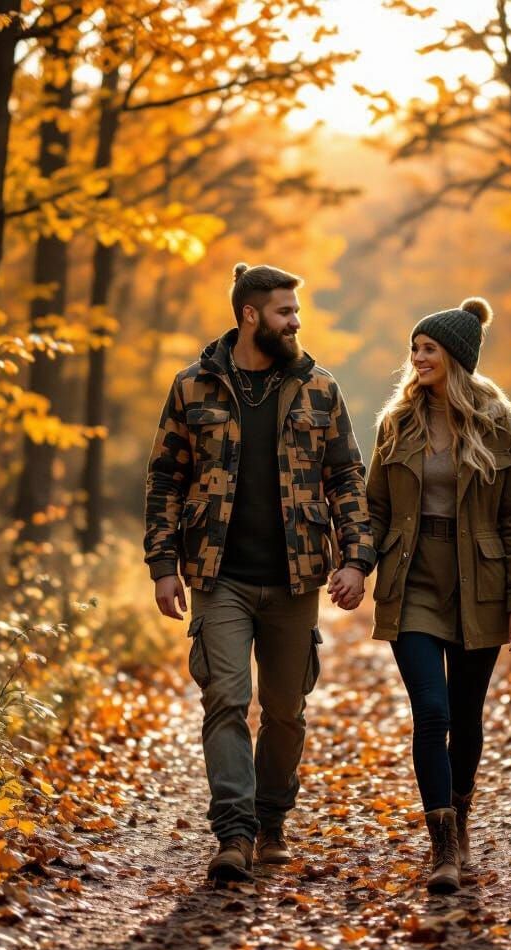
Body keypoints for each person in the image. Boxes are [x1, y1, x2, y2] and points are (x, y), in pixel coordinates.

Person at [144, 263, 375, 883]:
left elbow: (346, 477)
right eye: (284, 311)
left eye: (295, 312)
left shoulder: (318, 389)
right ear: (250, 315)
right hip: (217, 576)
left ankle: (272, 819)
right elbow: (166, 477)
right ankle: (235, 834)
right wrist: (163, 565)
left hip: (297, 578)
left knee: (285, 710)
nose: (295, 322)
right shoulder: (193, 387)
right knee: (225, 700)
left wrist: (356, 558)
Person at [365, 297, 511, 893]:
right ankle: (441, 848)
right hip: (412, 578)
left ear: (457, 358)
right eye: (415, 348)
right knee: (431, 712)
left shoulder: (502, 425)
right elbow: (374, 509)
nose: (417, 358)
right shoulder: (397, 423)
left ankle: (460, 822)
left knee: (465, 716)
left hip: (480, 584)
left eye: (429, 349)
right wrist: (356, 565)